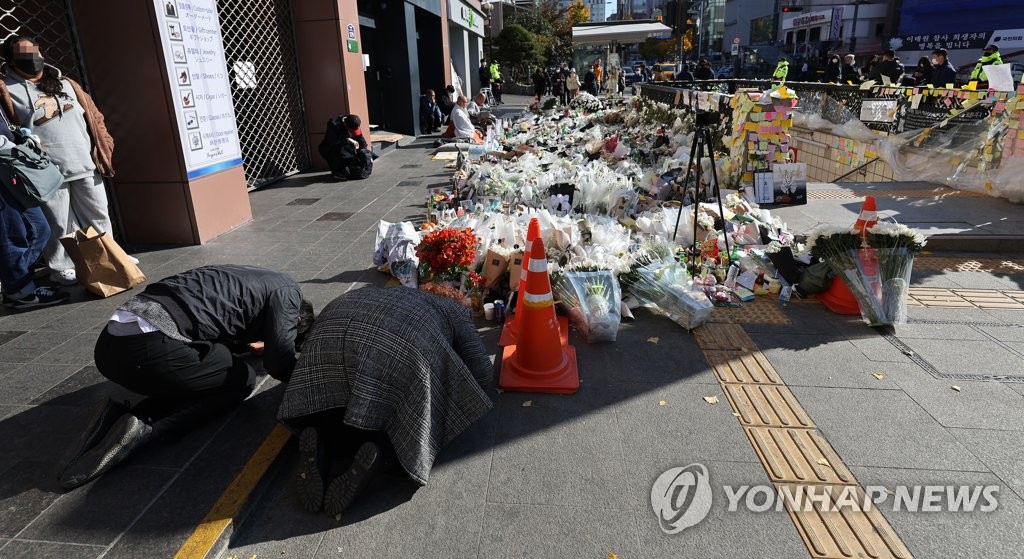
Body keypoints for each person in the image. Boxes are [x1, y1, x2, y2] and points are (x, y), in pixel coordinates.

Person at [58, 265, 315, 489]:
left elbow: (216, 318)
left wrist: (250, 346)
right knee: (240, 379)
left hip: (110, 347)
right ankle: (145, 426)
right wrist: (306, 381)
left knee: (210, 362)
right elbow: (279, 359)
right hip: (147, 349)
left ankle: (112, 415)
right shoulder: (289, 293)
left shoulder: (252, 279)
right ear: (299, 318)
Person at [278, 287, 493, 516]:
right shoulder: (454, 309)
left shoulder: (394, 292)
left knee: (335, 395)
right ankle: (383, 453)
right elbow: (483, 375)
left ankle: (319, 436)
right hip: (399, 348)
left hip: (333, 325)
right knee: (405, 413)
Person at [1, 35, 121, 287]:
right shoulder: (8, 91)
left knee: (99, 213)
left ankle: (111, 256)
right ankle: (60, 267)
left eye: (35, 52)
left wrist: (104, 145)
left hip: (84, 162)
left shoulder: (66, 83)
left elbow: (94, 116)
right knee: (58, 222)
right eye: (24, 55)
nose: (33, 58)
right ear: (11, 61)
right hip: (46, 171)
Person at [0, 131, 71, 309]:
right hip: (6, 161)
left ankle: (16, 285)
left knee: (39, 229)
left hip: (9, 167)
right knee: (13, 235)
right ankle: (20, 291)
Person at [318, 114, 371, 181]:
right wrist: (348, 140)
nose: (352, 132)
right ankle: (337, 172)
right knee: (341, 151)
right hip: (330, 148)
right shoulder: (333, 124)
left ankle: (349, 169)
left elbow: (360, 138)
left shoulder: (353, 123)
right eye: (350, 130)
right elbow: (333, 141)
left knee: (360, 152)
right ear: (345, 124)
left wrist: (363, 150)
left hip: (346, 145)